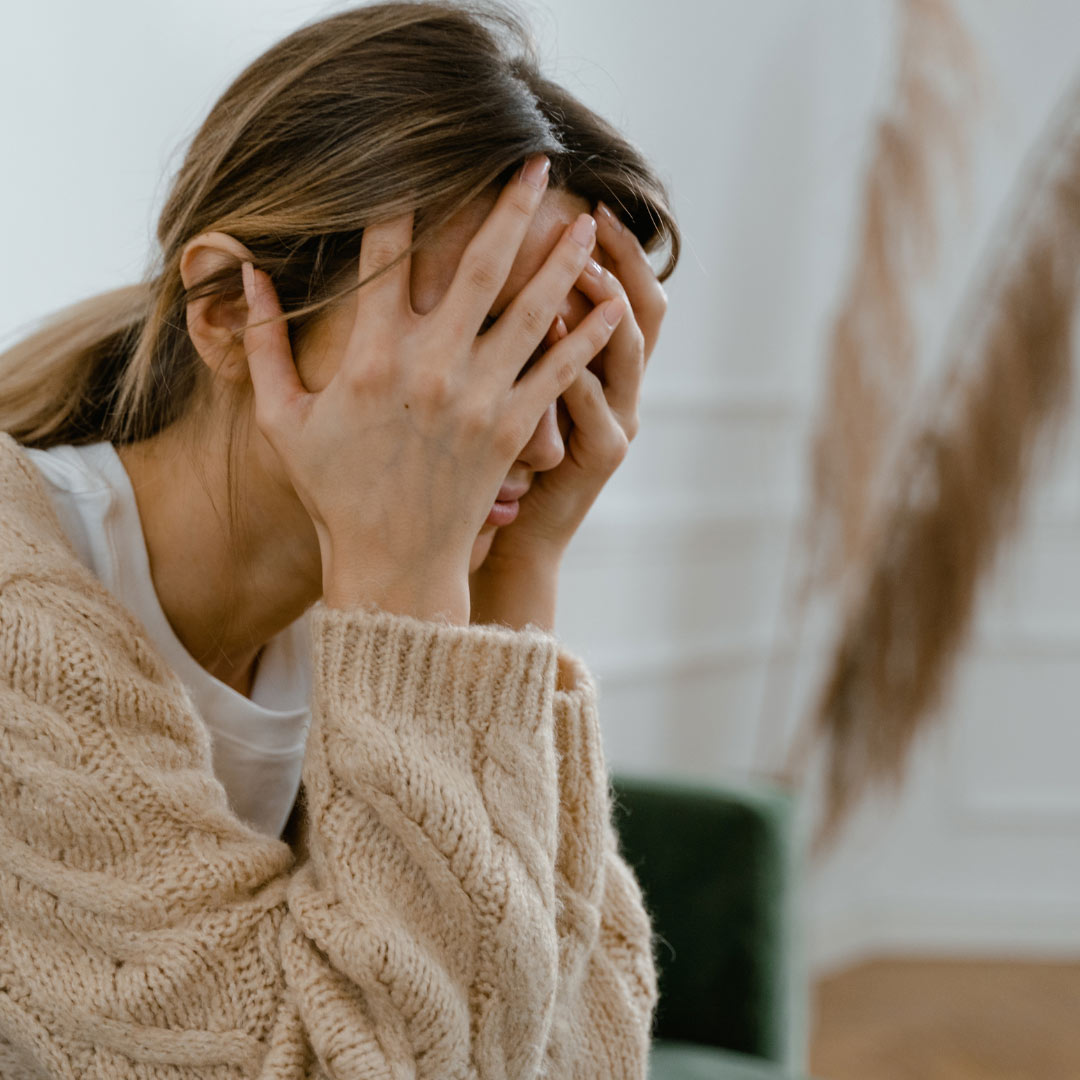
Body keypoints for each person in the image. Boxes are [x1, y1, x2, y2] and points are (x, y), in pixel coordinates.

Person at [0, 1, 679, 1076]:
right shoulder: (18, 615)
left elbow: (579, 1057)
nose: (538, 435)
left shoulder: (397, 599)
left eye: (573, 361)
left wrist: (518, 584)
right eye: (476, 340)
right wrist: (418, 596)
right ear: (228, 311)